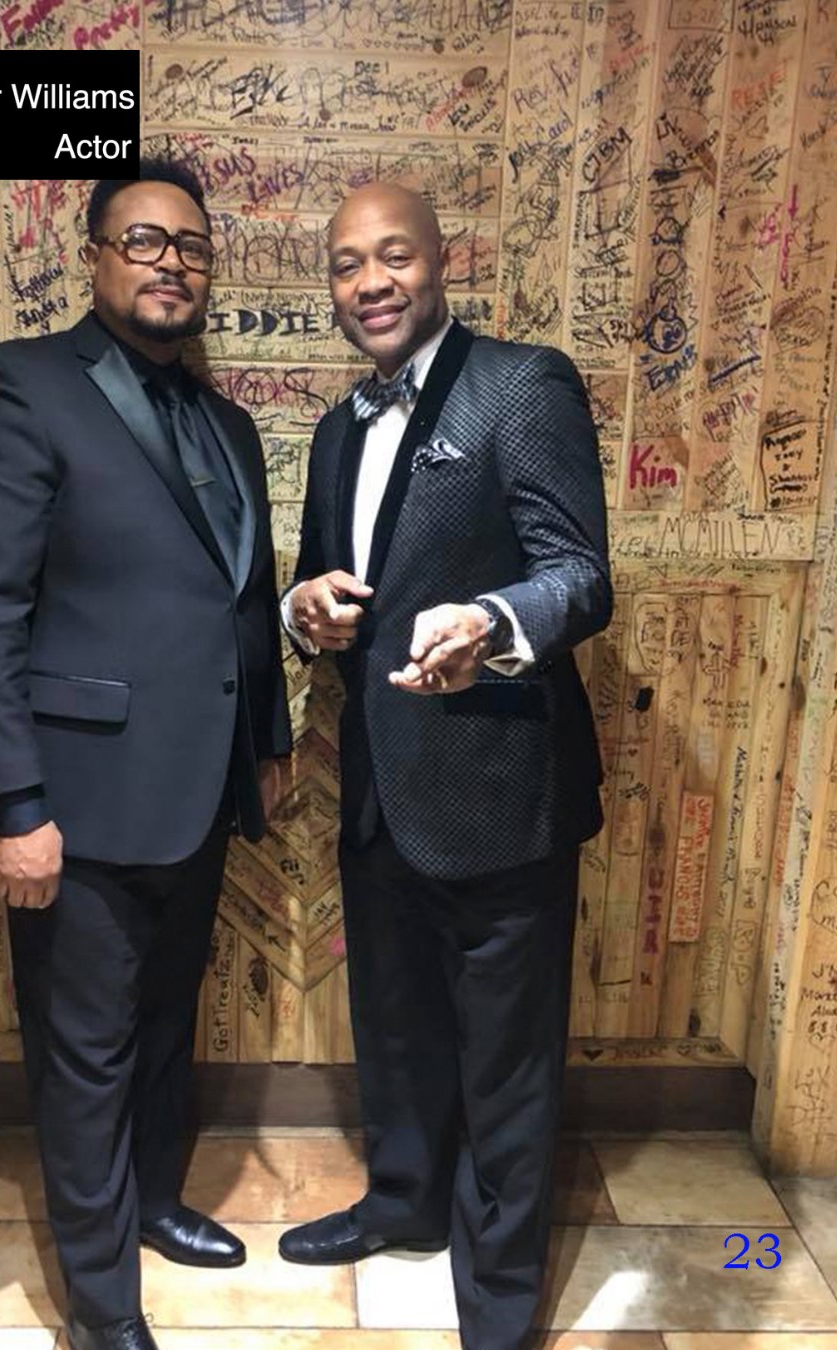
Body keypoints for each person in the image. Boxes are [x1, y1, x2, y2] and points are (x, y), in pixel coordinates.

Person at [0, 163, 291, 1350]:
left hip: (202, 787)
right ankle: (100, 1305)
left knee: (167, 1021)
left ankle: (155, 1203)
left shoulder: (228, 424)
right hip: (73, 803)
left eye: (191, 245)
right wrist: (12, 803)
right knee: (83, 1053)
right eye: (144, 239)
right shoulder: (19, 386)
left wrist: (268, 739)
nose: (171, 261)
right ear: (93, 256)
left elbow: (243, 597)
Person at [277, 183, 611, 1350]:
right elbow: (325, 582)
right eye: (346, 263)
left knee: (507, 1068)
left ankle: (500, 1304)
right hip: (377, 792)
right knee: (396, 1026)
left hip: (502, 797)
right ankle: (404, 1205)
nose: (370, 281)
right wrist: (302, 607)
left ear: (440, 262)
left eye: (395, 256)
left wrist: (492, 620)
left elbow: (580, 576)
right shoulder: (337, 430)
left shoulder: (522, 385)